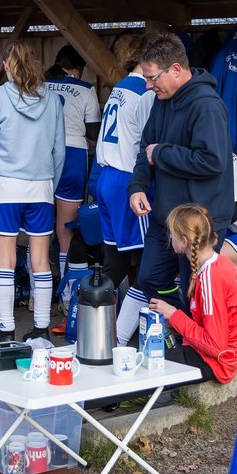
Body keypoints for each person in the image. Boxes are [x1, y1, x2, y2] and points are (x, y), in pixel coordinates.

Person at [118, 32, 233, 345]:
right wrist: (138, 186)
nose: (148, 85)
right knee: (149, 277)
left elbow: (213, 161)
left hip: (199, 221)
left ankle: (196, 360)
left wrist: (163, 153)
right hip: (166, 215)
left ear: (176, 70)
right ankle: (179, 326)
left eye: (152, 77)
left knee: (198, 294)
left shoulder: (207, 106)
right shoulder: (161, 101)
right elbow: (146, 149)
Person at [0, 39, 65, 343]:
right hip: (41, 185)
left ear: (6, 64)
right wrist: (49, 183)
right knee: (40, 261)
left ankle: (6, 331)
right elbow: (59, 150)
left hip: (6, 185)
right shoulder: (53, 99)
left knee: (5, 260)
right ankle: (41, 329)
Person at [147, 203, 237, 384]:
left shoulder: (211, 278)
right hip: (217, 356)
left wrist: (174, 316)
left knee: (146, 366)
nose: (170, 237)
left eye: (172, 233)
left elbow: (215, 346)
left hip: (216, 363)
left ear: (184, 241)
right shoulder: (217, 264)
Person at [94, 34, 154, 295]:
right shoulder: (145, 92)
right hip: (128, 181)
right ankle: (139, 327)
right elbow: (150, 140)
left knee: (114, 262)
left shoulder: (117, 88)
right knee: (146, 260)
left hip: (105, 177)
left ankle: (93, 322)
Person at [43, 44, 101, 292]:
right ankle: (68, 293)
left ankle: (39, 290)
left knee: (40, 226)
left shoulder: (42, 86)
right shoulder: (86, 89)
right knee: (66, 228)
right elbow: (93, 132)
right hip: (73, 155)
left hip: (43, 153)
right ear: (78, 68)